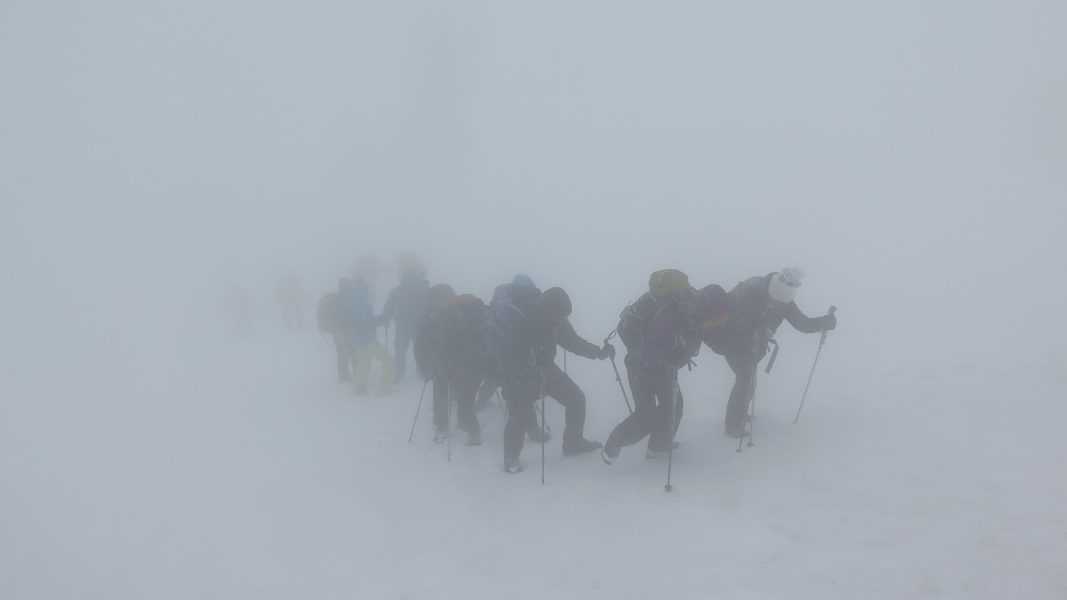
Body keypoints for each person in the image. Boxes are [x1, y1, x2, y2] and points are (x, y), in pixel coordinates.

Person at [601, 272, 730, 464]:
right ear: (709, 309)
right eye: (716, 318)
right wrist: (673, 355)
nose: (715, 323)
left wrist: (733, 349)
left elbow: (706, 338)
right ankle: (613, 445)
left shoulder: (695, 312)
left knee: (674, 406)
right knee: (647, 414)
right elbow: (655, 343)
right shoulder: (676, 311)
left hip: (661, 365)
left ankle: (659, 447)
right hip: (642, 364)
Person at [704, 268, 837, 438]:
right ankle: (733, 425)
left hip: (754, 346)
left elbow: (801, 324)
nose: (778, 303)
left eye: (781, 302)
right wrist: (750, 335)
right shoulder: (752, 288)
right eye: (775, 300)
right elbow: (732, 316)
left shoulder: (785, 301)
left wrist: (824, 323)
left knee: (748, 379)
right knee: (746, 378)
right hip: (732, 341)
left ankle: (739, 415)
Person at [493, 286, 612, 473]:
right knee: (520, 413)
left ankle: (573, 442)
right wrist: (517, 376)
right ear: (548, 309)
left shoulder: (557, 321)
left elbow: (572, 342)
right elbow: (508, 353)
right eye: (559, 315)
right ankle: (511, 457)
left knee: (576, 399)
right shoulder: (523, 320)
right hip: (520, 372)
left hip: (546, 368)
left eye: (563, 317)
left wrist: (598, 353)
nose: (561, 320)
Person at [414, 285, 489, 446]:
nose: (437, 304)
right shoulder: (432, 316)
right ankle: (444, 426)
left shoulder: (464, 313)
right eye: (435, 301)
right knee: (442, 393)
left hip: (464, 364)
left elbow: (472, 339)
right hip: (446, 362)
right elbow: (422, 342)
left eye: (439, 300)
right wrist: (424, 363)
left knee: (462, 400)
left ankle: (469, 428)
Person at [339, 277, 393, 396]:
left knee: (364, 364)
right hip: (366, 339)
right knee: (387, 360)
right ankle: (385, 387)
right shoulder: (360, 302)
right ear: (363, 288)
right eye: (367, 288)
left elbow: (363, 321)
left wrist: (379, 320)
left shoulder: (356, 301)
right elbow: (365, 322)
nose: (369, 290)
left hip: (359, 339)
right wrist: (381, 320)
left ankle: (360, 388)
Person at [382, 258, 430, 383]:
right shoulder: (423, 288)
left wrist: (385, 318)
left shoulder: (398, 290)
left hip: (402, 323)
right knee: (420, 348)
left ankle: (399, 371)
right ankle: (423, 370)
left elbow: (389, 306)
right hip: (419, 324)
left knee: (400, 348)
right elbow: (429, 305)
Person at [317, 282, 349, 382]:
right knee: (346, 351)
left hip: (336, 329)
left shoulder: (334, 298)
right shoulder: (342, 299)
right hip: (342, 329)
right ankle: (345, 375)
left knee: (341, 352)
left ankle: (343, 374)